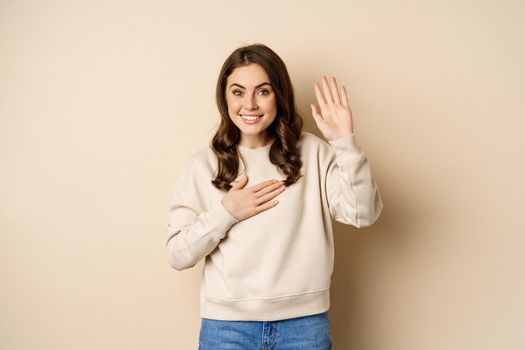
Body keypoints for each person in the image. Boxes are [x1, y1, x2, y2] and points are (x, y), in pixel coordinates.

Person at [165, 43, 383, 349]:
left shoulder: (314, 152)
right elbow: (177, 254)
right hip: (227, 331)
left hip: (304, 327)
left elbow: (364, 213)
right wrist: (226, 213)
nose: (250, 105)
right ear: (224, 97)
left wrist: (345, 142)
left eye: (263, 91)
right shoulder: (203, 166)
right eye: (238, 92)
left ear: (279, 95)